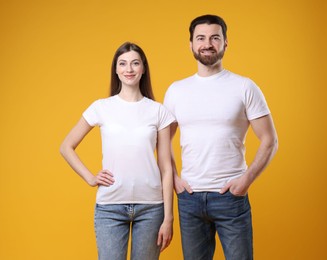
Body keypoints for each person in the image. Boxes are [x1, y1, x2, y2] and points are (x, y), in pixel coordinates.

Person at [163, 14, 278, 260]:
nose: (208, 44)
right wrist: (174, 178)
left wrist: (246, 179)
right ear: (191, 44)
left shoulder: (245, 87)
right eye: (201, 38)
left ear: (225, 43)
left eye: (215, 38)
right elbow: (163, 142)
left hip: (231, 197)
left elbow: (270, 140)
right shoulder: (176, 90)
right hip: (189, 199)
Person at [60, 42, 175, 260]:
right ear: (116, 69)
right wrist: (90, 177)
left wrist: (168, 217)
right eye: (122, 63)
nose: (128, 69)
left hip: (151, 208)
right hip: (110, 207)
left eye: (134, 63)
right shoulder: (101, 107)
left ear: (143, 68)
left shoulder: (158, 111)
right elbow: (66, 146)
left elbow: (166, 168)